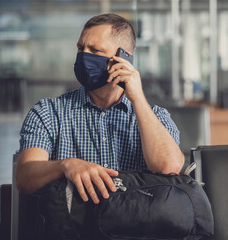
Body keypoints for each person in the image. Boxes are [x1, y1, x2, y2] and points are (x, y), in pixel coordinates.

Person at [16, 13, 184, 205]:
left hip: (136, 229)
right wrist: (64, 166)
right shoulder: (47, 112)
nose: (83, 56)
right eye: (80, 48)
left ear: (124, 58)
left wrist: (137, 98)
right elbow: (24, 177)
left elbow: (168, 167)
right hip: (72, 229)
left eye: (95, 51)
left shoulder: (158, 117)